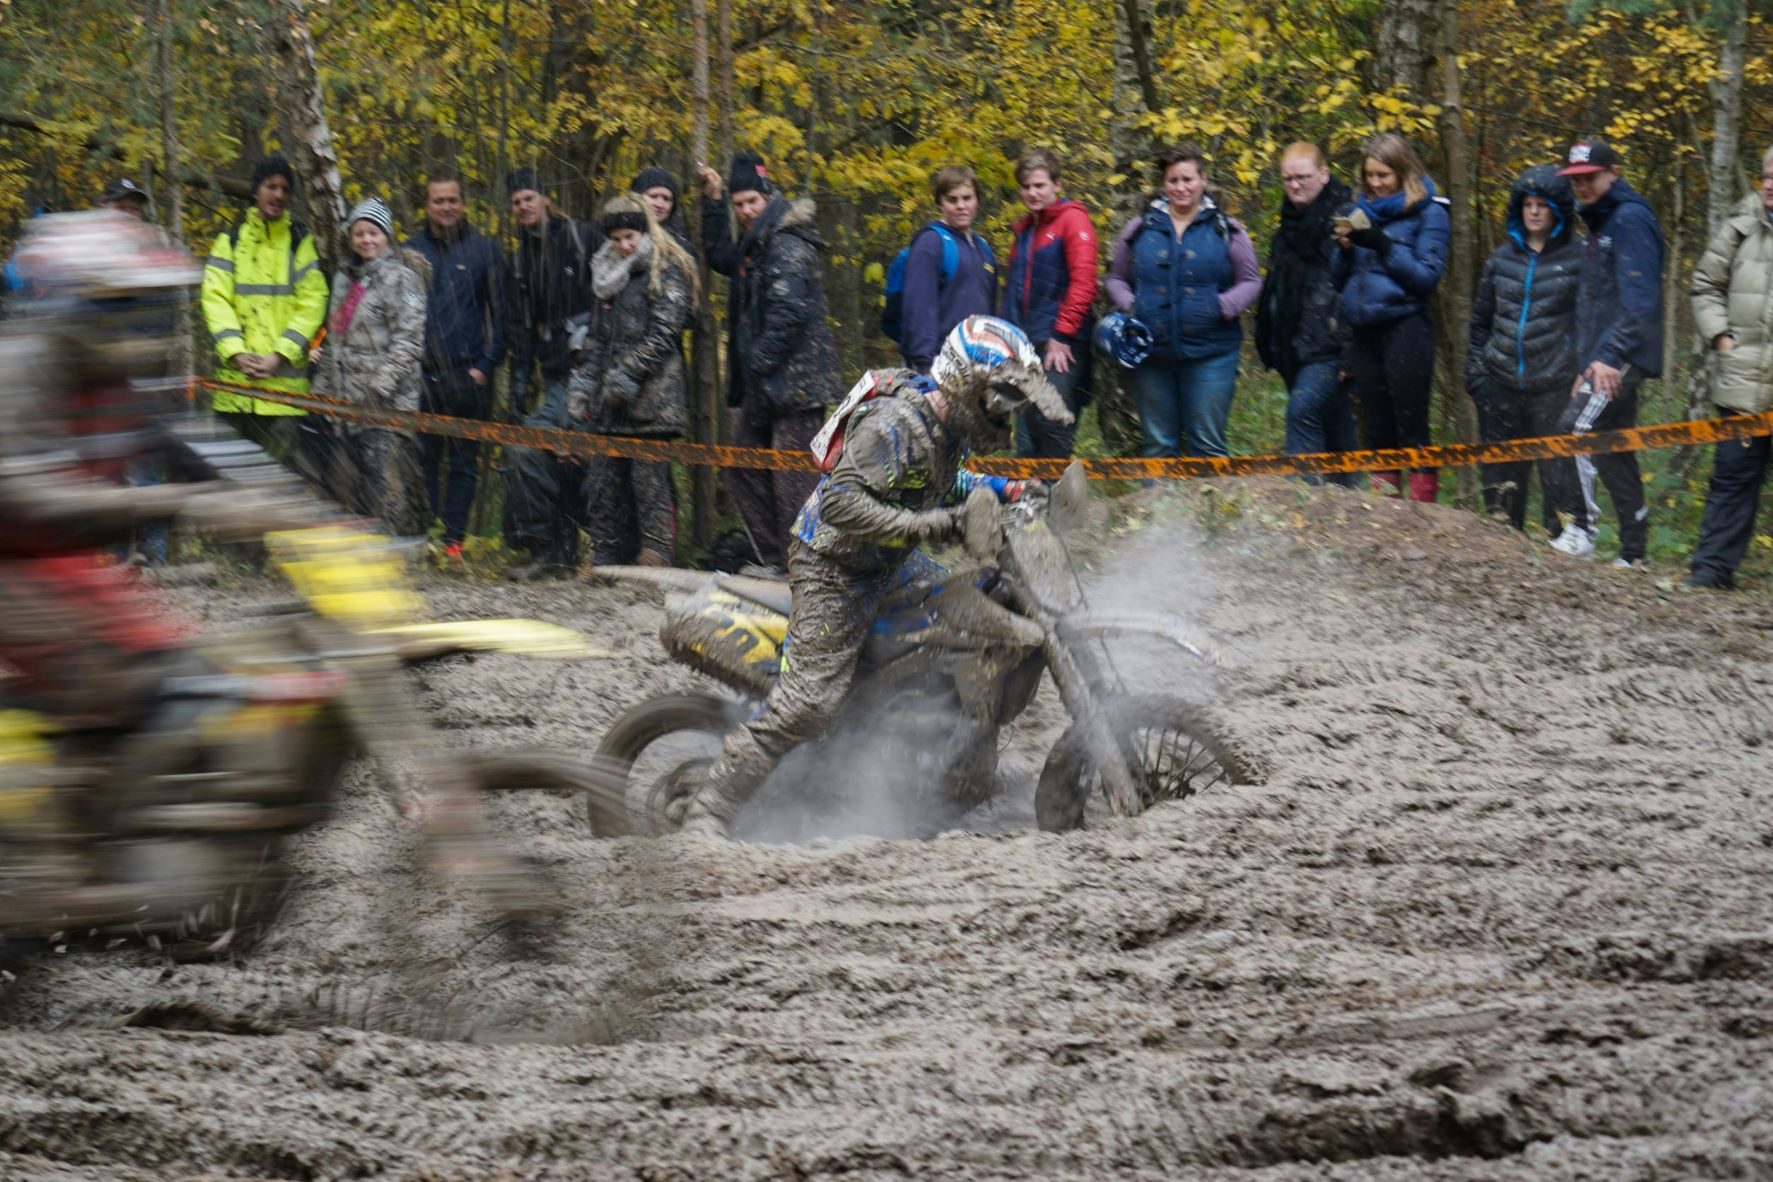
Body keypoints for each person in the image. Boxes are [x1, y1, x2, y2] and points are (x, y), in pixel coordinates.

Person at [677, 316, 1072, 838]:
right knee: (807, 704)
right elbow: (840, 501)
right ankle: (705, 815)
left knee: (967, 634)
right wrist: (932, 523)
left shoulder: (947, 421)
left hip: (889, 557)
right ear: (966, 382)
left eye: (1011, 403)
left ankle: (948, 768)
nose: (1005, 412)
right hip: (833, 567)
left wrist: (1009, 489)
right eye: (999, 399)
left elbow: (941, 478)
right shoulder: (894, 423)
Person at [697, 151, 842, 575]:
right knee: (744, 463)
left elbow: (789, 314)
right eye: (738, 204)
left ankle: (809, 566)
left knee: (794, 478)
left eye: (751, 203)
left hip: (795, 385)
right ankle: (778, 559)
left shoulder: (787, 243)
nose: (744, 212)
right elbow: (722, 258)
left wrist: (756, 361)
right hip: (766, 386)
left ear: (768, 196)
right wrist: (712, 203)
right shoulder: (756, 242)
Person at [1106, 144, 1260, 459]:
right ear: (1164, 183)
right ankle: (1159, 509)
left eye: (1188, 179)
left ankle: (1211, 509)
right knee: (1158, 446)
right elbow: (1115, 278)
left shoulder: (1226, 228)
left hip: (1212, 352)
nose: (1181, 187)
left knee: (1208, 445)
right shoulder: (1140, 227)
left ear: (1203, 180)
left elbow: (1251, 281)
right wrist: (1131, 305)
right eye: (1173, 180)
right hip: (1151, 353)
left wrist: (1223, 306)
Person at [567, 195, 696, 568]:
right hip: (608, 402)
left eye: (631, 236)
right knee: (604, 483)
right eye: (618, 238)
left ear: (644, 231)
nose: (625, 245)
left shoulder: (667, 266)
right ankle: (605, 554)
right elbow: (595, 336)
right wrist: (583, 382)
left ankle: (655, 555)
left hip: (654, 398)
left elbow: (665, 332)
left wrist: (628, 372)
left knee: (649, 482)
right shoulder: (605, 275)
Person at [1558, 138, 1664, 569]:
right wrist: (1586, 364)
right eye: (1575, 180)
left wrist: (1609, 357)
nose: (1582, 187)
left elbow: (1640, 300)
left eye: (1590, 178)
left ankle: (1582, 529)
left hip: (1624, 351)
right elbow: (1595, 304)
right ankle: (1634, 554)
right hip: (1603, 354)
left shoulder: (1631, 219)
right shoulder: (1599, 224)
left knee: (1572, 429)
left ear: (1613, 173)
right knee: (1613, 447)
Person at [1465, 165, 1586, 535]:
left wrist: (1578, 373)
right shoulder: (1500, 259)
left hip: (1554, 386)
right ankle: (1502, 552)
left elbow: (1588, 325)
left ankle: (1561, 551)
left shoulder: (1580, 259)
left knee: (1559, 481)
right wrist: (1476, 374)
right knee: (1501, 486)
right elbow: (1480, 322)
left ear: (1558, 211)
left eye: (1542, 205)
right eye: (1527, 204)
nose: (1534, 212)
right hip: (1499, 383)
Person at [199, 154, 331, 487]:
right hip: (234, 391)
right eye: (271, 186)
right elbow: (215, 299)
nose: (278, 195)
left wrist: (279, 356)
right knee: (231, 488)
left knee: (274, 489)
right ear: (256, 191)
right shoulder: (229, 242)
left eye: (285, 189)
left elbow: (313, 302)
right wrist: (236, 352)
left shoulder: (300, 243)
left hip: (285, 397)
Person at [1332, 133, 1450, 501]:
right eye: (1370, 174)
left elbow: (1426, 278)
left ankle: (1424, 512)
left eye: (1383, 174)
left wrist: (1383, 245)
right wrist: (1345, 249)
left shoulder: (1430, 211)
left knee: (1411, 424)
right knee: (1377, 427)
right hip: (1364, 329)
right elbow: (1338, 280)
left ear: (1402, 172)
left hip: (1407, 327)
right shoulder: (1359, 210)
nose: (1376, 183)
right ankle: (1386, 515)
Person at [501, 167, 598, 580]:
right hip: (556, 378)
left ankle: (604, 551)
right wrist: (518, 386)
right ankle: (545, 548)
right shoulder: (520, 261)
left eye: (529, 198)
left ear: (545, 198)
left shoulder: (582, 238)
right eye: (516, 201)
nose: (523, 206)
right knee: (527, 449)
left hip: (595, 375)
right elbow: (521, 330)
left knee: (584, 461)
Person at [312, 197, 429, 535]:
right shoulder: (344, 279)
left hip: (388, 403)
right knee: (350, 481)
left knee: (386, 478)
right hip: (346, 403)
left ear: (387, 236)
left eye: (374, 233)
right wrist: (322, 391)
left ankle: (398, 550)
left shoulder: (403, 279)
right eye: (360, 233)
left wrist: (381, 385)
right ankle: (362, 556)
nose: (366, 240)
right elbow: (334, 339)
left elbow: (410, 340)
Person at [404, 172, 506, 561]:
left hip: (470, 376)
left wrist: (485, 366)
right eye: (438, 200)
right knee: (423, 461)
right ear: (426, 205)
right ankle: (425, 537)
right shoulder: (410, 252)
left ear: (463, 203)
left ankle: (453, 543)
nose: (446, 207)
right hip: (423, 375)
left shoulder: (484, 251)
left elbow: (502, 315)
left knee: (465, 466)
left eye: (452, 200)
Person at [1685, 146, 1773, 590]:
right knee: (1732, 480)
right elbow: (1704, 285)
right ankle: (1711, 571)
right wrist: (1721, 337)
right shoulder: (1738, 229)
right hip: (1741, 382)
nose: (1771, 183)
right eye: (1767, 175)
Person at [1256, 143, 1355, 483]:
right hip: (1293, 346)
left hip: (1332, 346)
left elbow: (1361, 283)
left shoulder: (1349, 218)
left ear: (1324, 174)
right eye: (1288, 179)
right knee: (1335, 427)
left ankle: (1303, 507)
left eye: (1303, 177)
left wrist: (1349, 350)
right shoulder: (1286, 226)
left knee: (1302, 412)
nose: (1295, 185)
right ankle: (1351, 503)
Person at [1000, 150, 1098, 458]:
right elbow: (1014, 293)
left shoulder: (1073, 220)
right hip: (1026, 346)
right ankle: (1028, 504)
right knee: (1026, 435)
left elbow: (1084, 282)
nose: (1033, 192)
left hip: (1061, 344)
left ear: (1057, 184)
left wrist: (1062, 336)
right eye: (1027, 187)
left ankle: (1061, 502)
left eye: (1040, 185)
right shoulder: (1024, 231)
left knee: (1053, 423)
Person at [897, 164, 998, 373]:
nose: (961, 205)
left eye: (967, 198)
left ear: (977, 200)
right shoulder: (930, 243)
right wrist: (927, 365)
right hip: (938, 363)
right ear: (940, 203)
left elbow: (991, 312)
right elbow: (919, 307)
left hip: (978, 364)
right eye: (952, 200)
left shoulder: (984, 249)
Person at [631, 166, 695, 257]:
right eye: (653, 196)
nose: (660, 204)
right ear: (637, 197)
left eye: (666, 199)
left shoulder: (682, 250)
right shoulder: (615, 235)